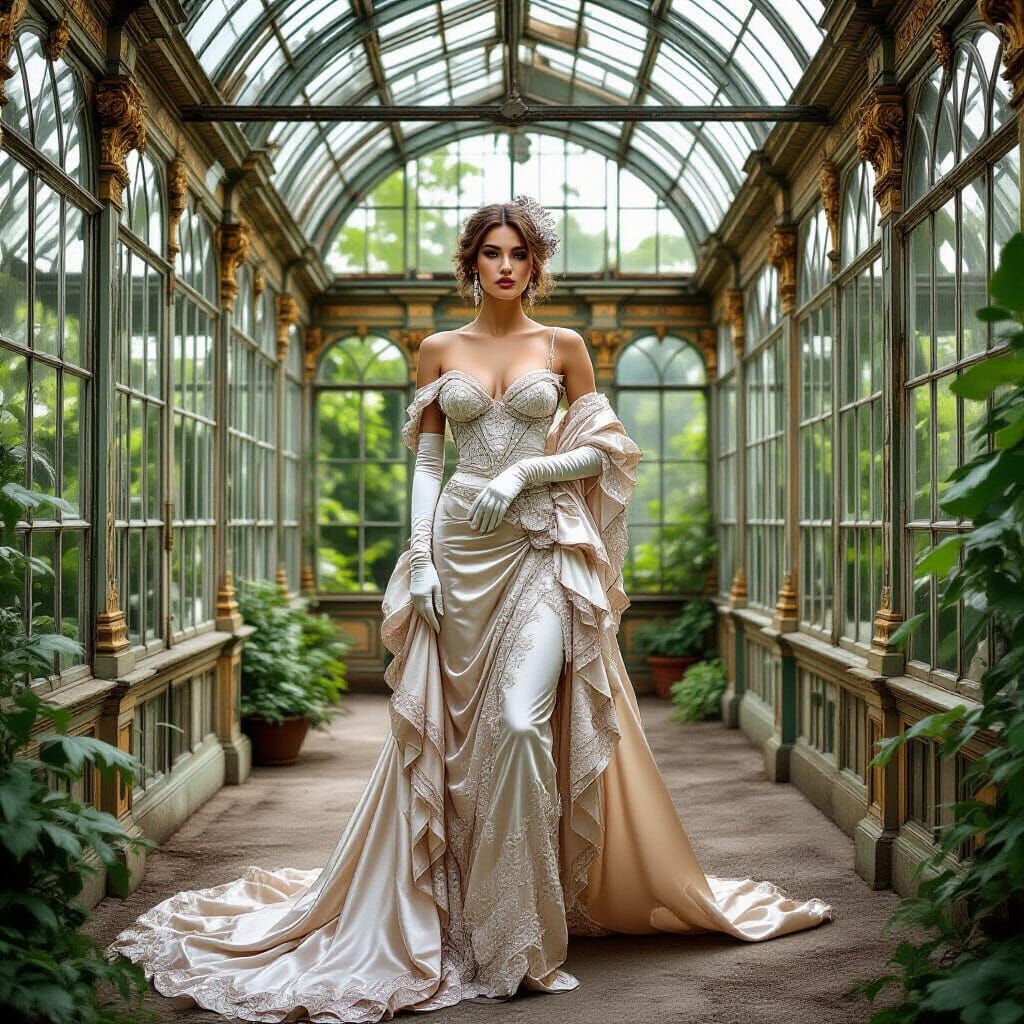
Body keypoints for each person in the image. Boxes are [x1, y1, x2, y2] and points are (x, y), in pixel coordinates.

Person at [106, 196, 832, 1023]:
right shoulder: (438, 349)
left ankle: (516, 935)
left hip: (538, 553)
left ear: (536, 264)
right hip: (455, 554)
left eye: (519, 253)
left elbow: (608, 449)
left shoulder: (563, 348)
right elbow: (425, 461)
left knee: (520, 725)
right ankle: (454, 916)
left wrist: (528, 473)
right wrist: (418, 559)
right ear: (472, 263)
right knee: (456, 744)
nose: (507, 265)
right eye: (492, 252)